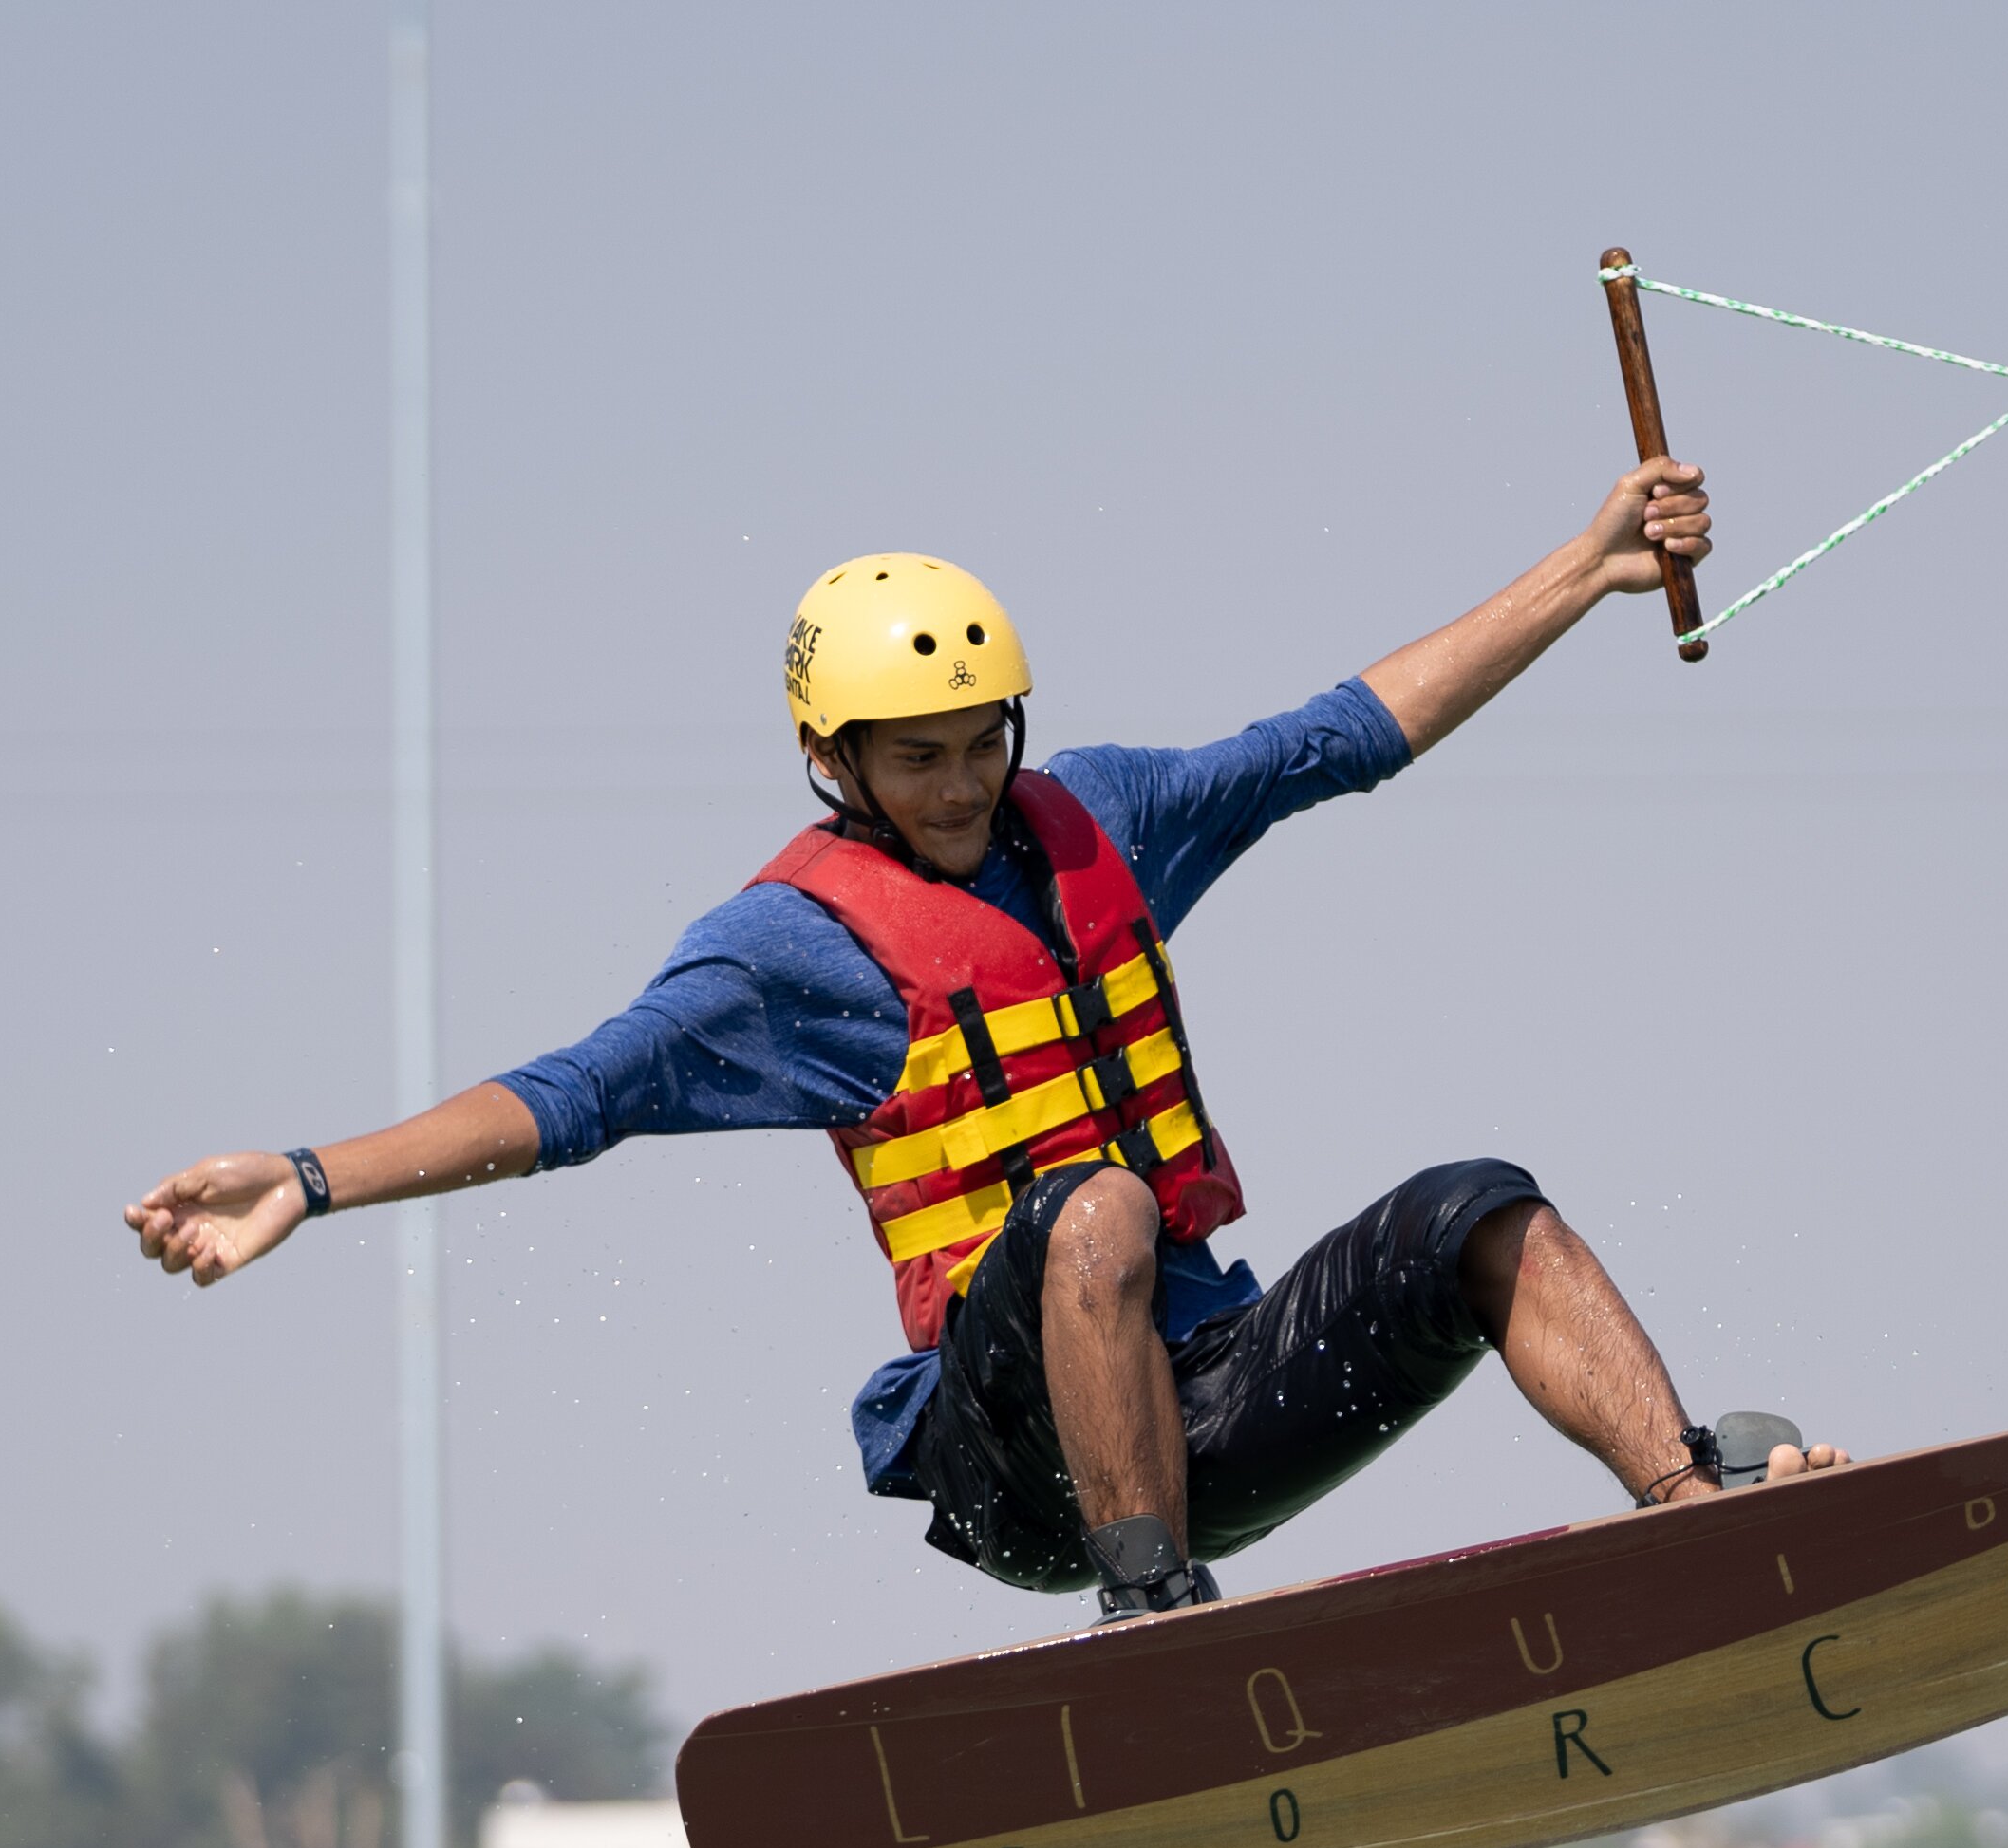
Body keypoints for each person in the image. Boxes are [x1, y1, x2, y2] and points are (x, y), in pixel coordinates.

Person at [126, 454, 1842, 1620]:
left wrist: (1590, 566)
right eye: (912, 756)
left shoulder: (1100, 821)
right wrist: (307, 1176)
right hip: (1022, 1464)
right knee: (1093, 1201)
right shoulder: (786, 952)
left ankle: (1689, 1513)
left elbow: (1338, 738)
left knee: (1484, 1205)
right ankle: (1154, 1618)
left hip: (1216, 1394)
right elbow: (574, 1096)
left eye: (975, 743)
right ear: (835, 762)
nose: (955, 785)